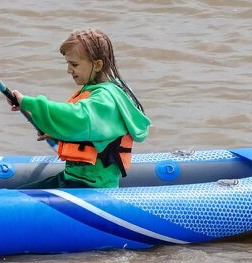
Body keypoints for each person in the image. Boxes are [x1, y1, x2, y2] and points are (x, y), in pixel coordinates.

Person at [9, 28, 151, 189]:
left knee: (10, 202)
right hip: (74, 179)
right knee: (12, 195)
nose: (69, 70)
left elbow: (79, 117)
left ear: (97, 65)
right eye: (68, 63)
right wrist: (57, 134)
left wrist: (28, 103)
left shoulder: (106, 100)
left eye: (74, 64)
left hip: (92, 187)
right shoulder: (101, 89)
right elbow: (92, 134)